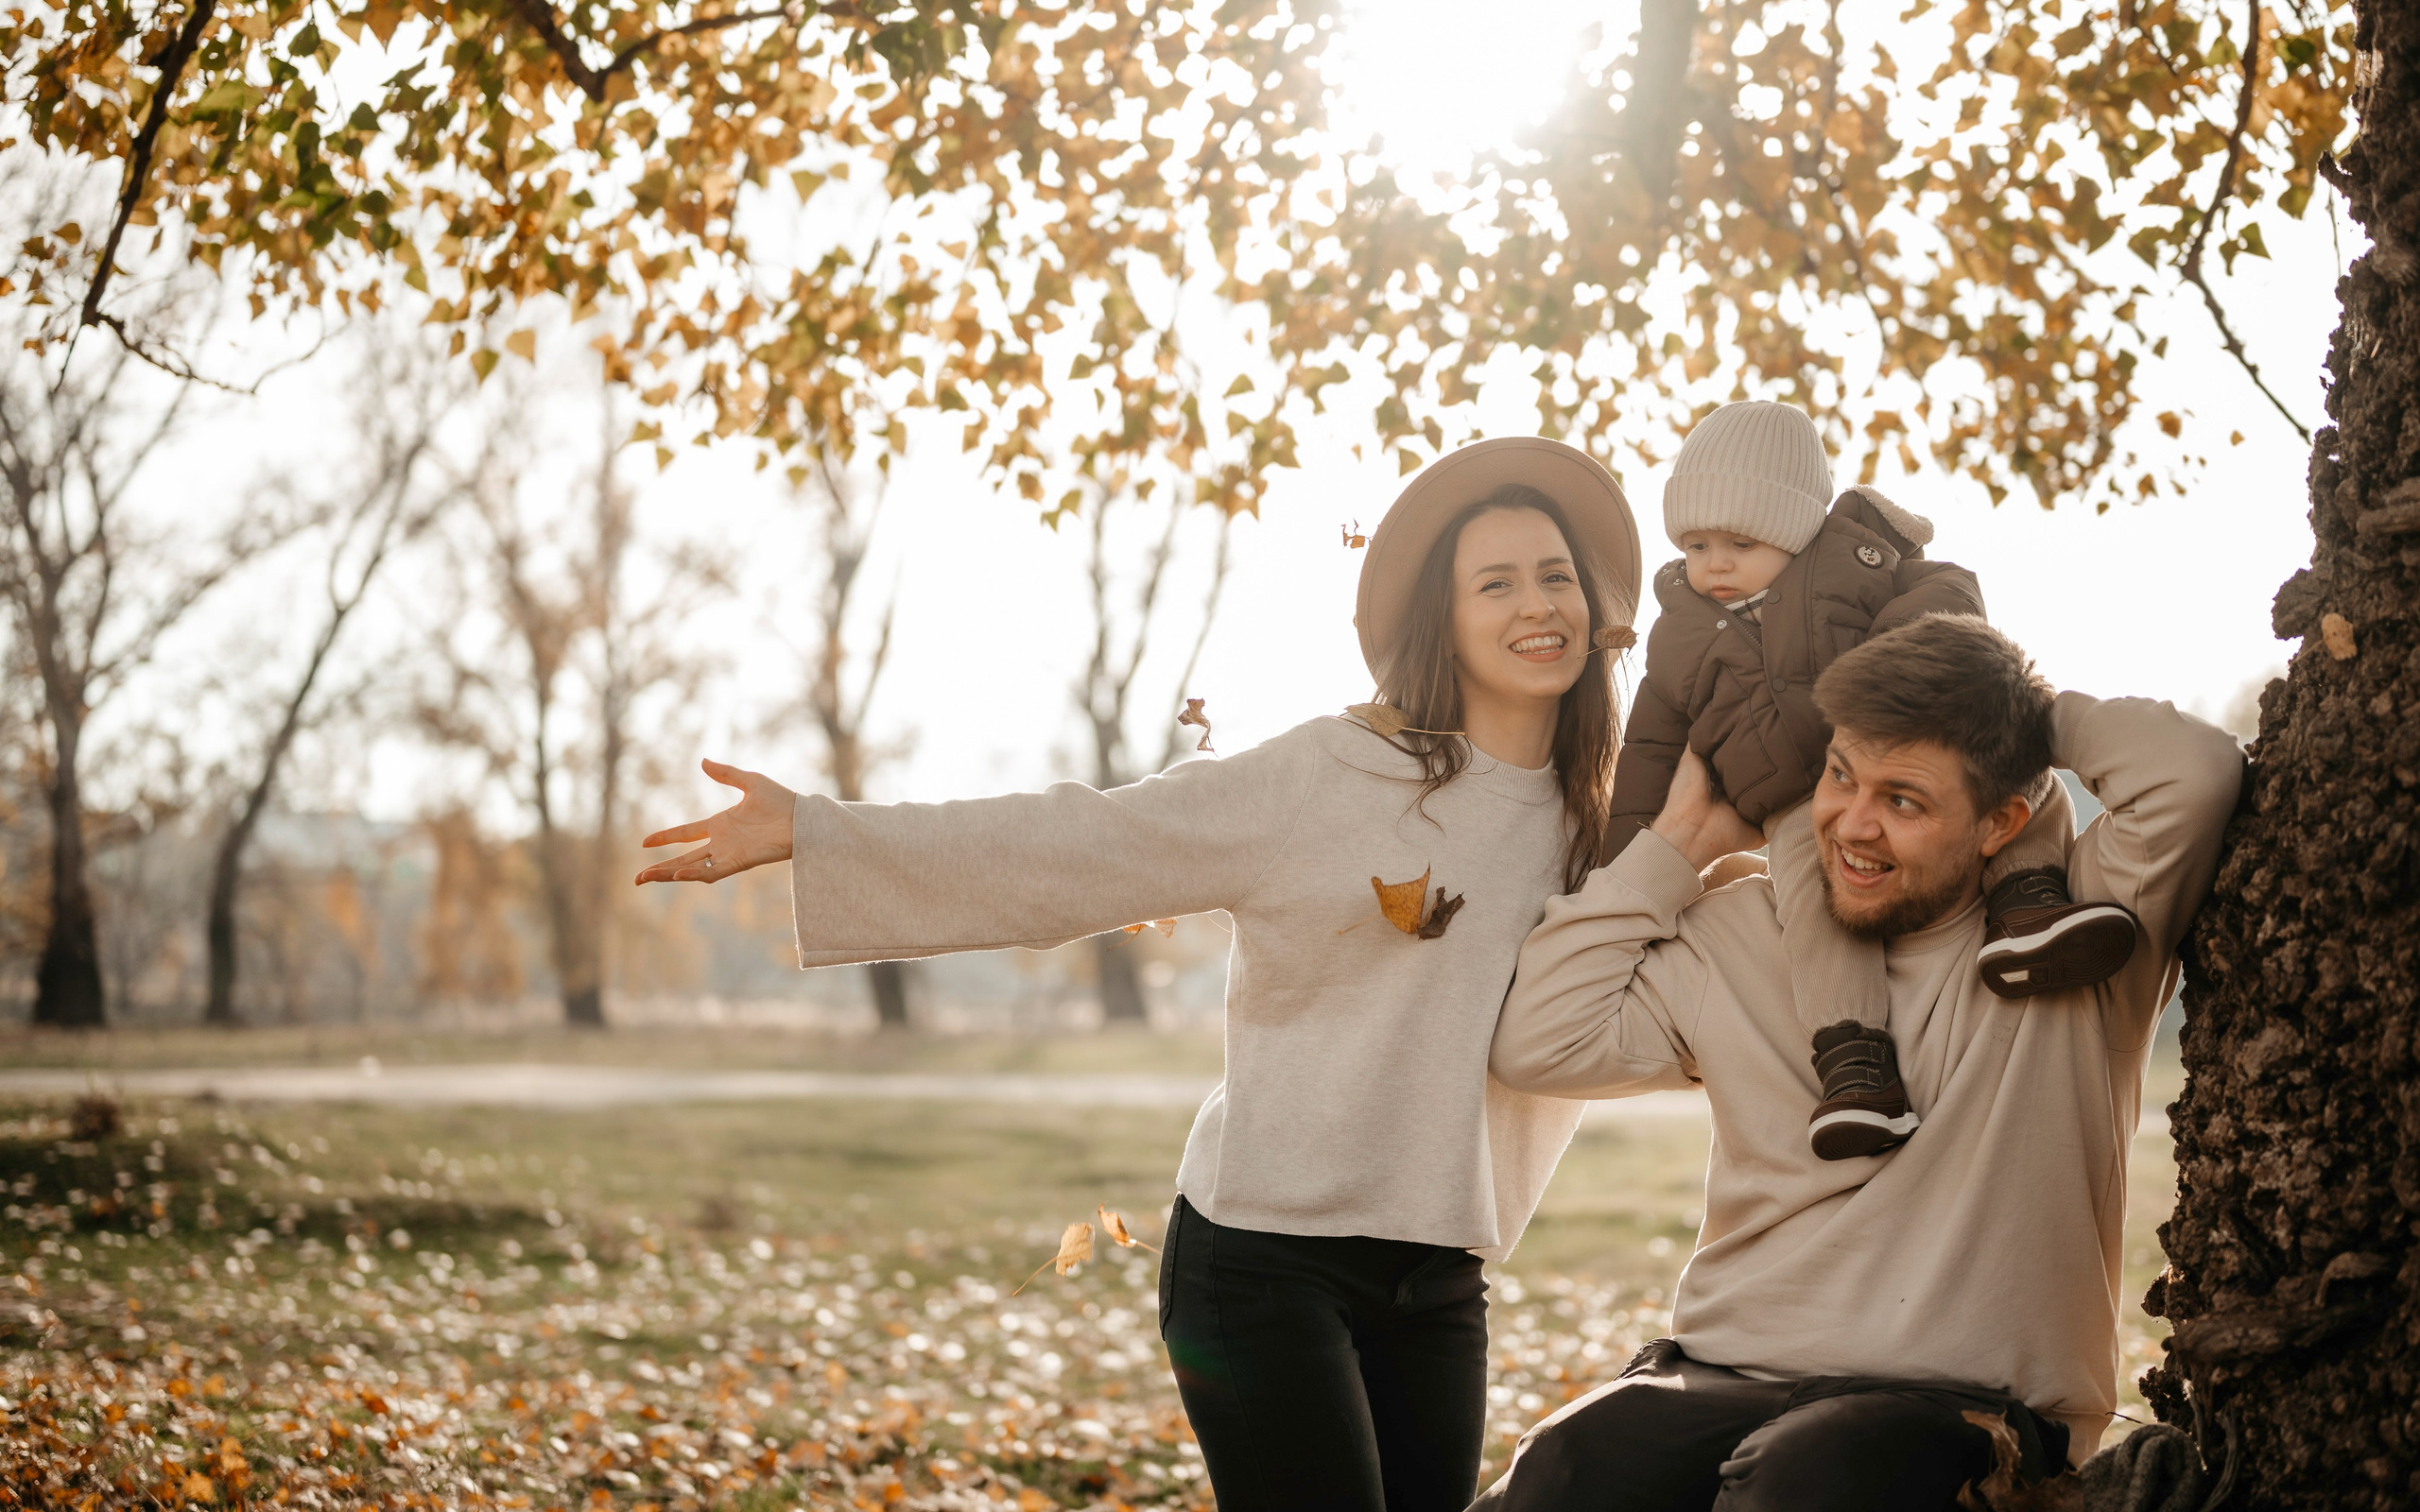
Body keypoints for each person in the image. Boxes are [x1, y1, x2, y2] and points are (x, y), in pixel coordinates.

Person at [632, 438, 1643, 1512]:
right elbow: (1086, 845)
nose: (1536, 605)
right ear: (1442, 620)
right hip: (1264, 1262)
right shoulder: (1328, 772)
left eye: (1554, 576)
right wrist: (822, 834)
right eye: (1495, 582)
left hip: (1439, 1274)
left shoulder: (1602, 827)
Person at [1478, 613, 2244, 1510]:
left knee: (1810, 1475)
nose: (1853, 824)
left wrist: (2014, 710)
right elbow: (1542, 1038)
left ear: (2002, 821)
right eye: (1841, 774)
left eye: (1904, 800)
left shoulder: (2082, 935)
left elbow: (2194, 772)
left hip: (1964, 1412)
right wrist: (1680, 844)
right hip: (1722, 1374)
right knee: (1567, 1469)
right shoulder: (1744, 930)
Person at [1609, 401, 2141, 1160]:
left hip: (1910, 749)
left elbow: (1950, 597)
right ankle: (1856, 1064)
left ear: (1795, 529)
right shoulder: (1679, 635)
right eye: (1695, 544)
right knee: (1811, 907)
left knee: (2012, 770)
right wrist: (1625, 861)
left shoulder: (1858, 567)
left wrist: (1890, 677)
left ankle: (2031, 908)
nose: (1713, 563)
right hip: (1799, 799)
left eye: (1739, 542)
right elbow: (1649, 752)